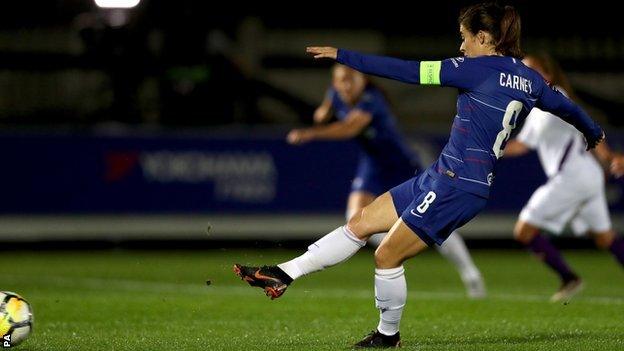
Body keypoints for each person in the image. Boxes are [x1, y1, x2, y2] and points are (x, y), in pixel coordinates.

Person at [234, 2, 604, 347]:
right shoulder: (531, 81)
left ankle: (387, 335)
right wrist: (594, 133)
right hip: (446, 174)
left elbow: (407, 71)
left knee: (387, 257)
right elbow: (567, 107)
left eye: (464, 37)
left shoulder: (474, 69)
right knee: (362, 222)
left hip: (457, 184)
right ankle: (283, 273)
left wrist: (344, 55)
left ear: (484, 39)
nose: (461, 46)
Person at [286, 64, 486, 298]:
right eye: (342, 80)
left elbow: (349, 128)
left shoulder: (372, 100)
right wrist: (324, 109)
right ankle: (400, 242)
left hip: (400, 163)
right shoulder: (336, 93)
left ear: (363, 81)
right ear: (335, 82)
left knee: (435, 217)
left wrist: (310, 133)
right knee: (355, 218)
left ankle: (469, 273)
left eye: (352, 79)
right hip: (373, 164)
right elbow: (327, 105)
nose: (347, 85)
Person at [503, 53, 624, 303]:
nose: (522, 77)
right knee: (605, 237)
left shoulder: (555, 96)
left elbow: (588, 126)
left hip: (574, 176)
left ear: (545, 73)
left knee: (523, 230)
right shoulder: (540, 104)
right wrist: (492, 147)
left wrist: (609, 156)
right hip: (584, 176)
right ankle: (570, 279)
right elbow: (523, 145)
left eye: (528, 71)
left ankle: (569, 278)